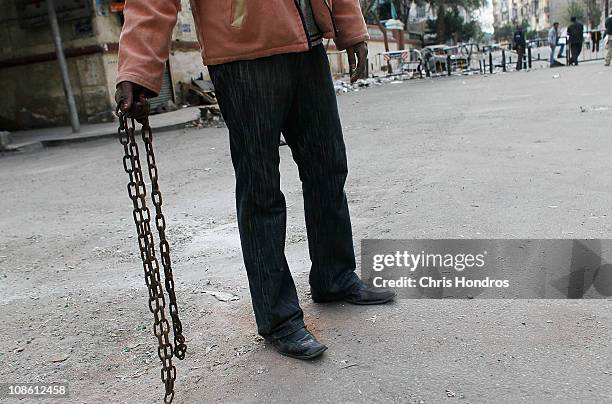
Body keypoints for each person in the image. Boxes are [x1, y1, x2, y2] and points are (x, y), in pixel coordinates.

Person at [114, 0, 396, 360]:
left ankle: (335, 276)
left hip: (308, 46)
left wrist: (350, 28)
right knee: (260, 187)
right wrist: (138, 68)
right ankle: (278, 317)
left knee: (328, 166)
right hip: (241, 54)